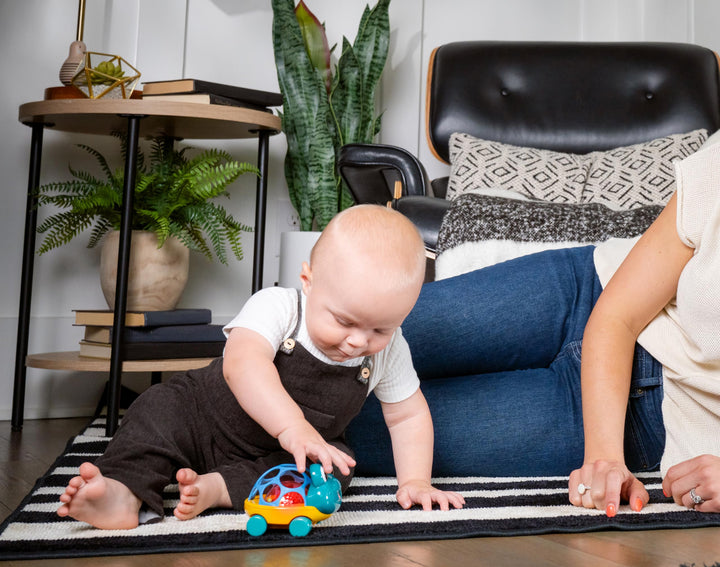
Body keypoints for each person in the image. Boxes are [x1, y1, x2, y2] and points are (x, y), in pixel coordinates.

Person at [347, 132, 720, 517]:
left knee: (341, 427)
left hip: (653, 419)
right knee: (338, 334)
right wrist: (603, 457)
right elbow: (618, 315)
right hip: (590, 292)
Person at [57, 205, 465, 530]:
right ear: (308, 280)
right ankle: (122, 492)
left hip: (281, 454)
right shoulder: (281, 307)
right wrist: (293, 427)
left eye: (381, 328)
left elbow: (408, 416)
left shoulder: (389, 351)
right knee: (155, 411)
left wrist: (415, 481)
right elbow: (243, 364)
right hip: (202, 417)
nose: (359, 341)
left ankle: (217, 489)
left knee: (334, 469)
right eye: (343, 321)